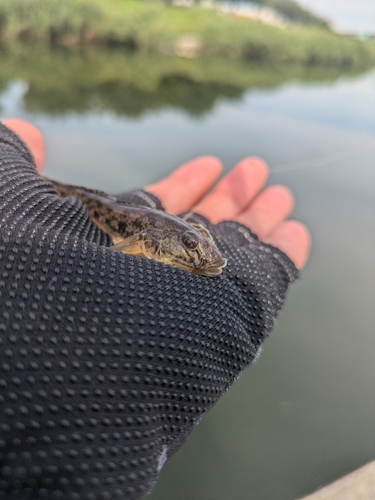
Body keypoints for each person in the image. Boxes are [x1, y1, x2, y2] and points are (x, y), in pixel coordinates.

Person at [0, 119, 310, 500]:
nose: (202, 253)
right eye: (190, 244)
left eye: (198, 243)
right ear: (155, 239)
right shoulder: (140, 235)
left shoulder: (173, 240)